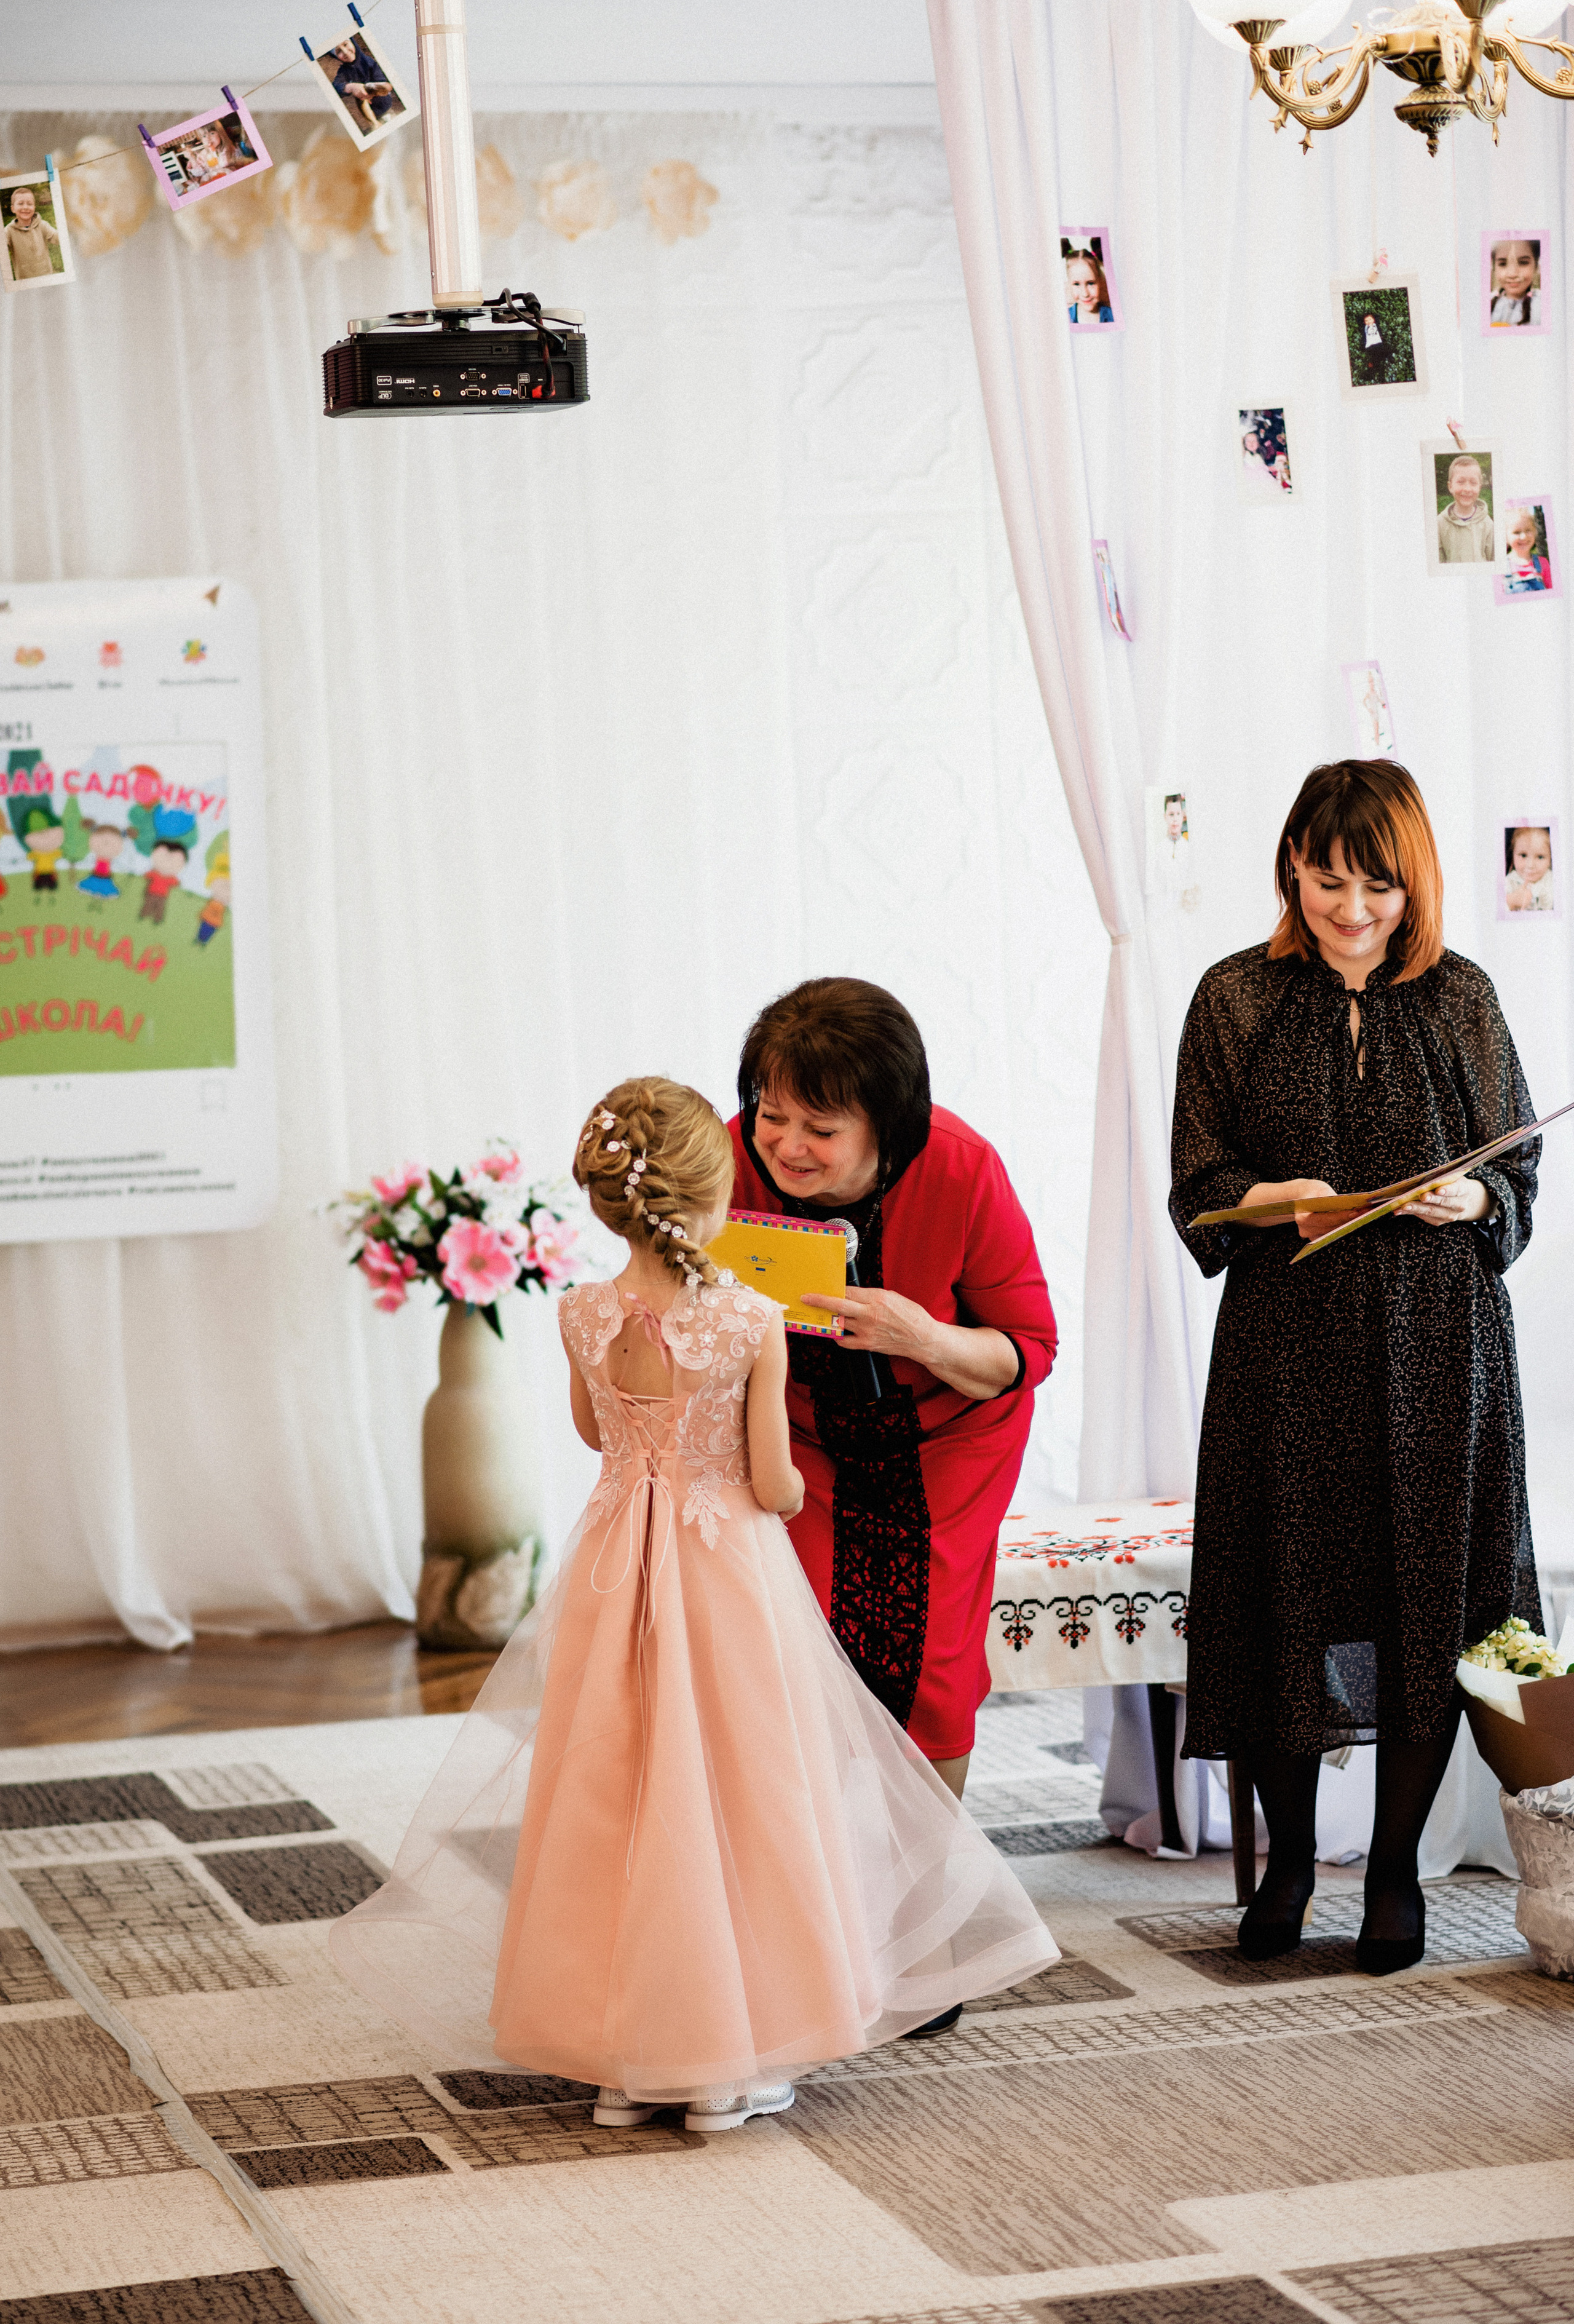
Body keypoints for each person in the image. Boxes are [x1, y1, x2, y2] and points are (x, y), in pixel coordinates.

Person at [330, 1078, 1057, 2125]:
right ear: (717, 1202)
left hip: (614, 1566)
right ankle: (732, 2057)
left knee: (617, 1785)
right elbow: (774, 1481)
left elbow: (592, 1433)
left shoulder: (582, 1312)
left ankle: (626, 2060)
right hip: (726, 1574)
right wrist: (793, 1489)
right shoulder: (751, 1318)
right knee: (742, 1791)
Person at [1169, 759, 1541, 1975]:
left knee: (1425, 1600)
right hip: (1284, 1349)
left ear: (1412, 882)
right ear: (1289, 865)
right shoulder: (1231, 998)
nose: (1348, 908)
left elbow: (1517, 1192)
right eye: (1326, 879)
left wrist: (1469, 1193)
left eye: (1376, 886)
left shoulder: (1460, 1000)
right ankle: (1284, 1861)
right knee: (1283, 1591)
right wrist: (1258, 1199)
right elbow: (1195, 1185)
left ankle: (1391, 1874)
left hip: (1439, 1353)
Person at [727, 983, 1057, 1819]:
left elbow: (1028, 1351)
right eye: (772, 1113)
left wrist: (926, 1337)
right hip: (797, 1430)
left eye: (822, 1129)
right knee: (793, 1642)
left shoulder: (960, 1165)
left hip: (946, 1439)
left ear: (889, 1123)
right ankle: (816, 1876)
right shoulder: (726, 1158)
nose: (786, 1146)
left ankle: (931, 1886)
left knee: (930, 1661)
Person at [1437, 454, 1493, 565]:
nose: (1467, 489)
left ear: (1479, 487)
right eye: (1461, 482)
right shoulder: (1439, 524)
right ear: (1450, 486)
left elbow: (1493, 563)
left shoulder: (1488, 524)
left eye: (1473, 483)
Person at [5, 185, 60, 282]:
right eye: (21, 204)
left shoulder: (43, 225)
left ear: (34, 207)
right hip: (25, 280)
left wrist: (62, 228)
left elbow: (58, 239)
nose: (25, 207)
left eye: (29, 204)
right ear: (13, 209)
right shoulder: (9, 231)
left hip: (47, 276)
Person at [1489, 237, 1540, 329]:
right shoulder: (1486, 302)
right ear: (1494, 268)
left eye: (1523, 263)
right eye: (1503, 264)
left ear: (1536, 267)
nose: (1512, 274)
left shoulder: (1543, 306)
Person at [1501, 509, 1552, 596]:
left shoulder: (1543, 563)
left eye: (1528, 531)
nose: (1523, 537)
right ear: (1505, 536)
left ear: (1535, 532)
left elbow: (1553, 595)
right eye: (1516, 532)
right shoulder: (1501, 566)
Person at [1505, 823, 1554, 913]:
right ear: (1513, 856)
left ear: (1550, 859)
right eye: (1523, 855)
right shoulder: (1508, 882)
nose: (1530, 865)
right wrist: (1511, 901)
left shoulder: (1554, 881)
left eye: (1540, 857)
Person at [1066, 247, 1114, 324]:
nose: (1085, 294)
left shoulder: (1113, 316)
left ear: (1100, 282)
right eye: (1077, 284)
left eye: (1091, 283)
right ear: (1069, 285)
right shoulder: (1063, 318)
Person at [1353, 307, 1391, 384]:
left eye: (1370, 319)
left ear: (1374, 320)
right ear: (1364, 322)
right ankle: (1377, 373)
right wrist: (1364, 319)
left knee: (1382, 354)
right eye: (1366, 321)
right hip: (1370, 346)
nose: (1368, 322)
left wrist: (1372, 316)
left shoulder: (1376, 324)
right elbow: (1359, 320)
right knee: (1377, 358)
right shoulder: (1364, 327)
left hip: (1379, 343)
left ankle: (1373, 371)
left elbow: (1377, 316)